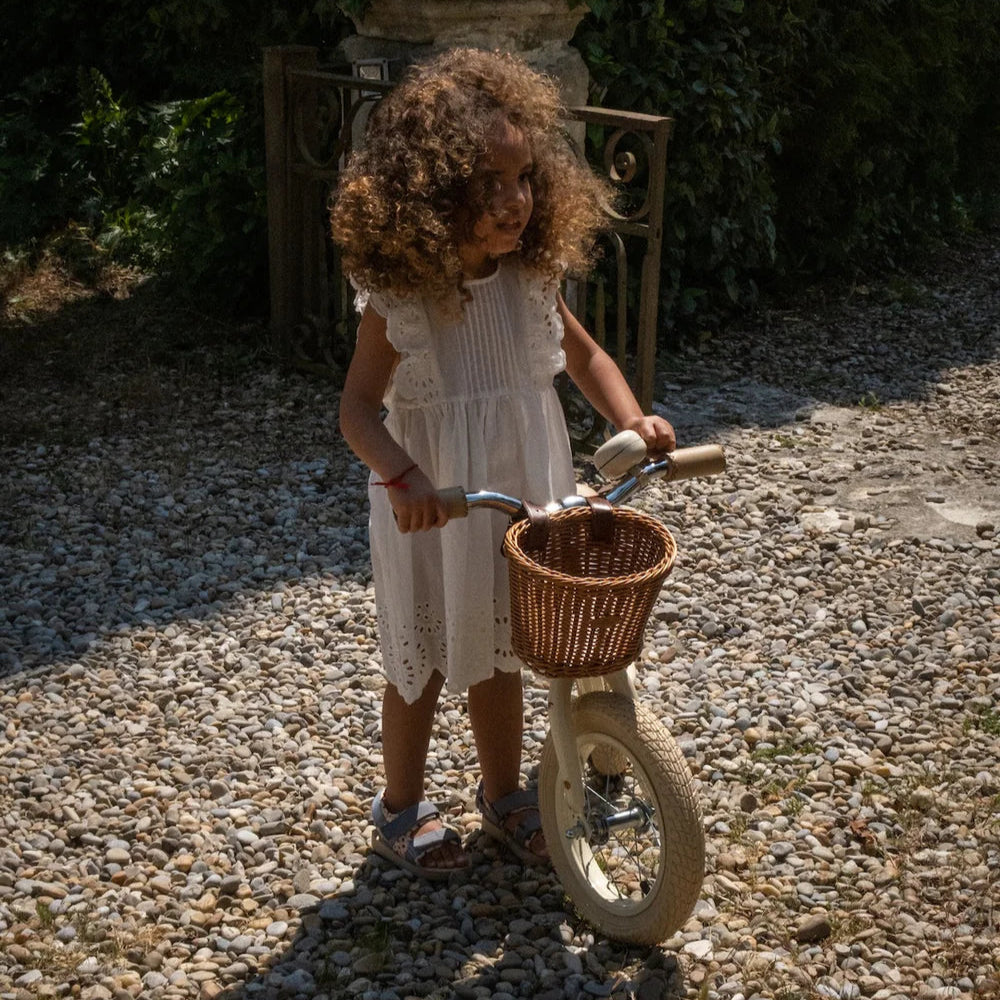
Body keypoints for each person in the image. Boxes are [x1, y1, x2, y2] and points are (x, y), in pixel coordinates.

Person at [334, 47, 675, 878]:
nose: (514, 200)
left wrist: (633, 417)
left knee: (505, 644)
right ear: (432, 193)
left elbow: (586, 356)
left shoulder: (529, 277)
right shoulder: (403, 297)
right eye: (489, 183)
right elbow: (356, 411)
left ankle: (502, 793)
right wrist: (403, 477)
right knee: (422, 652)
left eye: (523, 178)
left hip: (523, 489)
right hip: (435, 500)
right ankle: (400, 805)